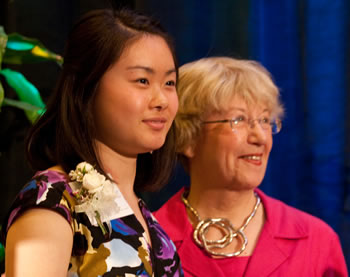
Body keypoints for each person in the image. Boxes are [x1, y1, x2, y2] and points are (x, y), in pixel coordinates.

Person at [1, 9, 183, 277]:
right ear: (87, 88)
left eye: (169, 83)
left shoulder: (142, 211)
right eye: (142, 81)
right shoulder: (51, 200)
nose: (162, 100)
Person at [154, 57, 348, 276]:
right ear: (188, 137)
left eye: (265, 120)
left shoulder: (316, 240)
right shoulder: (147, 241)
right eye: (238, 120)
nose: (260, 137)